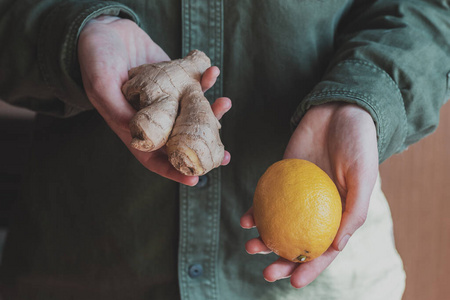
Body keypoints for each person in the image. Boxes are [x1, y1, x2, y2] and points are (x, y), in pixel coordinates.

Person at [1, 0, 449, 299]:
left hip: (324, 284)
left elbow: (428, 9)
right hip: (81, 266)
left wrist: (362, 100)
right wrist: (77, 33)